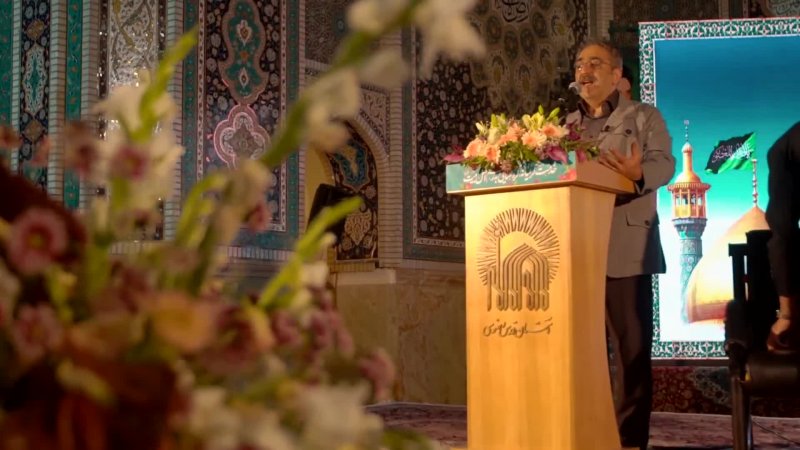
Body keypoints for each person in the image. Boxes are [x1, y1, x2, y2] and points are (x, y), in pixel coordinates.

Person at [566, 40, 675, 450]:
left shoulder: (644, 116)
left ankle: (629, 441)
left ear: (616, 75)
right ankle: (584, 433)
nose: (585, 70)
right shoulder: (563, 126)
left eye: (595, 63)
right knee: (580, 351)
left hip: (625, 245)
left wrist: (637, 172)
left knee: (630, 352)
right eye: (580, 64)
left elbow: (665, 163)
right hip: (575, 247)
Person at [765, 121, 800, 352]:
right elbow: (783, 227)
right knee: (782, 227)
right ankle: (787, 315)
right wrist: (787, 315)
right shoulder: (785, 152)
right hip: (787, 161)